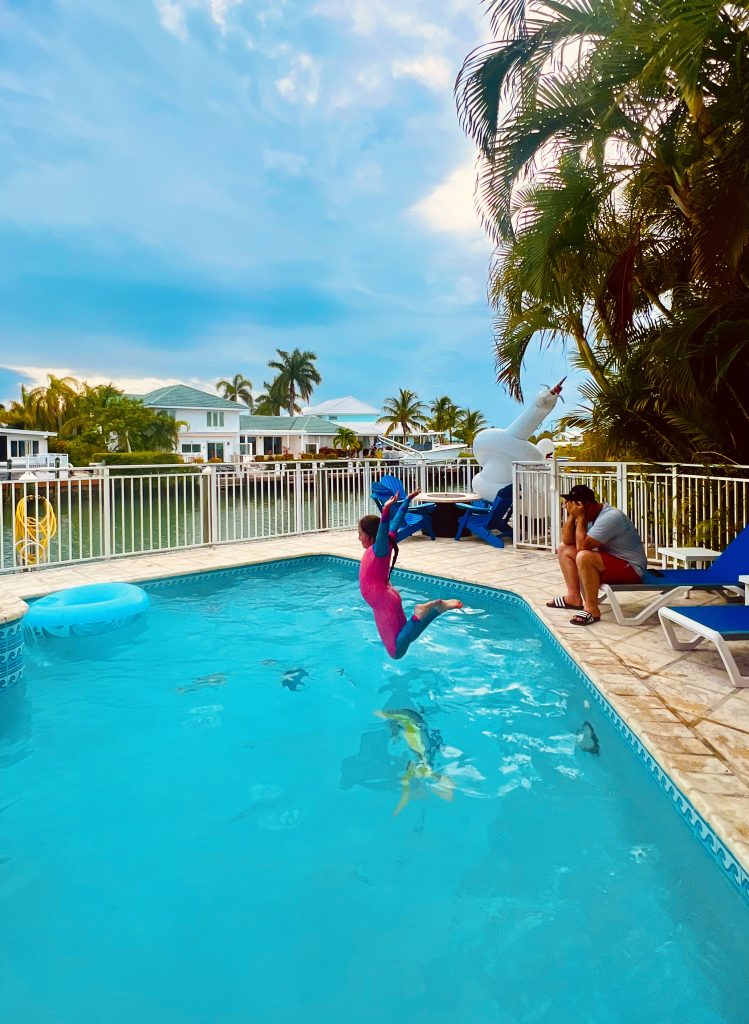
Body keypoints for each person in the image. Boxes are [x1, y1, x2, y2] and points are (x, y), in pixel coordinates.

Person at [358, 489, 463, 658]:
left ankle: (420, 613)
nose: (359, 538)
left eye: (360, 534)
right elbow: (396, 523)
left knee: (396, 652)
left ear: (371, 535)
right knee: (407, 636)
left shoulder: (379, 548)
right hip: (386, 597)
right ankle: (438, 610)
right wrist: (407, 501)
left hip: (383, 601)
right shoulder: (385, 544)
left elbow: (385, 527)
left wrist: (385, 510)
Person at [546, 484, 647, 625]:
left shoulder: (611, 516)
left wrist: (580, 517)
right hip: (612, 563)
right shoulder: (588, 515)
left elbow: (582, 546)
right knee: (564, 549)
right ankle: (573, 597)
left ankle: (591, 609)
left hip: (632, 569)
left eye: (578, 507)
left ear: (590, 506)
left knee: (584, 556)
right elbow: (568, 540)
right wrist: (571, 516)